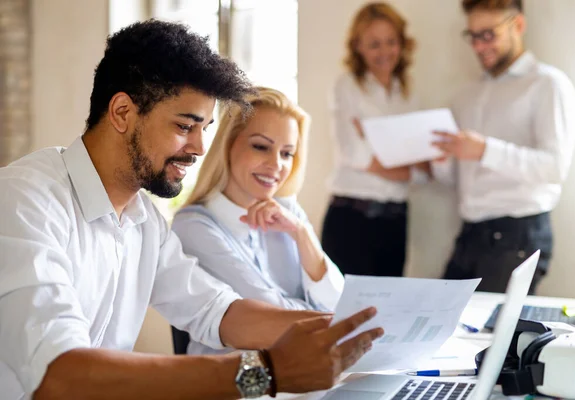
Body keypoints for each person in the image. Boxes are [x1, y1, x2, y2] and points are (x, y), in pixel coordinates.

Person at [0, 20, 384, 399]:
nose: (200, 148)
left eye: (205, 129)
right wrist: (266, 373)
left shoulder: (143, 219)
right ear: (121, 112)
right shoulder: (24, 201)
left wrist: (351, 332)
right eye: (186, 125)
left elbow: (217, 311)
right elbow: (63, 376)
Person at [172, 87, 345, 355]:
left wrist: (301, 234)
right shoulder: (194, 227)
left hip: (302, 376)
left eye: (287, 153)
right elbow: (272, 320)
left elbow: (341, 303)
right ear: (228, 145)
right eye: (261, 147)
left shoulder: (289, 212)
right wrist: (327, 314)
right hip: (234, 385)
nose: (276, 165)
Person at [432, 0, 575, 294]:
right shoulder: (466, 96)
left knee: (491, 339)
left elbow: (554, 168)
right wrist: (440, 161)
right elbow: (453, 180)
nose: (478, 46)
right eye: (473, 36)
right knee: (442, 329)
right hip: (470, 234)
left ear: (518, 25)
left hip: (517, 236)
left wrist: (485, 150)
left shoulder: (548, 85)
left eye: (488, 34)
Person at [321, 2, 426, 278]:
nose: (385, 52)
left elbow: (423, 166)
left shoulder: (408, 93)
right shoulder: (346, 86)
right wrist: (404, 167)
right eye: (374, 44)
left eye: (391, 42)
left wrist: (377, 147)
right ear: (358, 46)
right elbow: (353, 153)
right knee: (344, 314)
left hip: (395, 221)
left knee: (387, 311)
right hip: (352, 221)